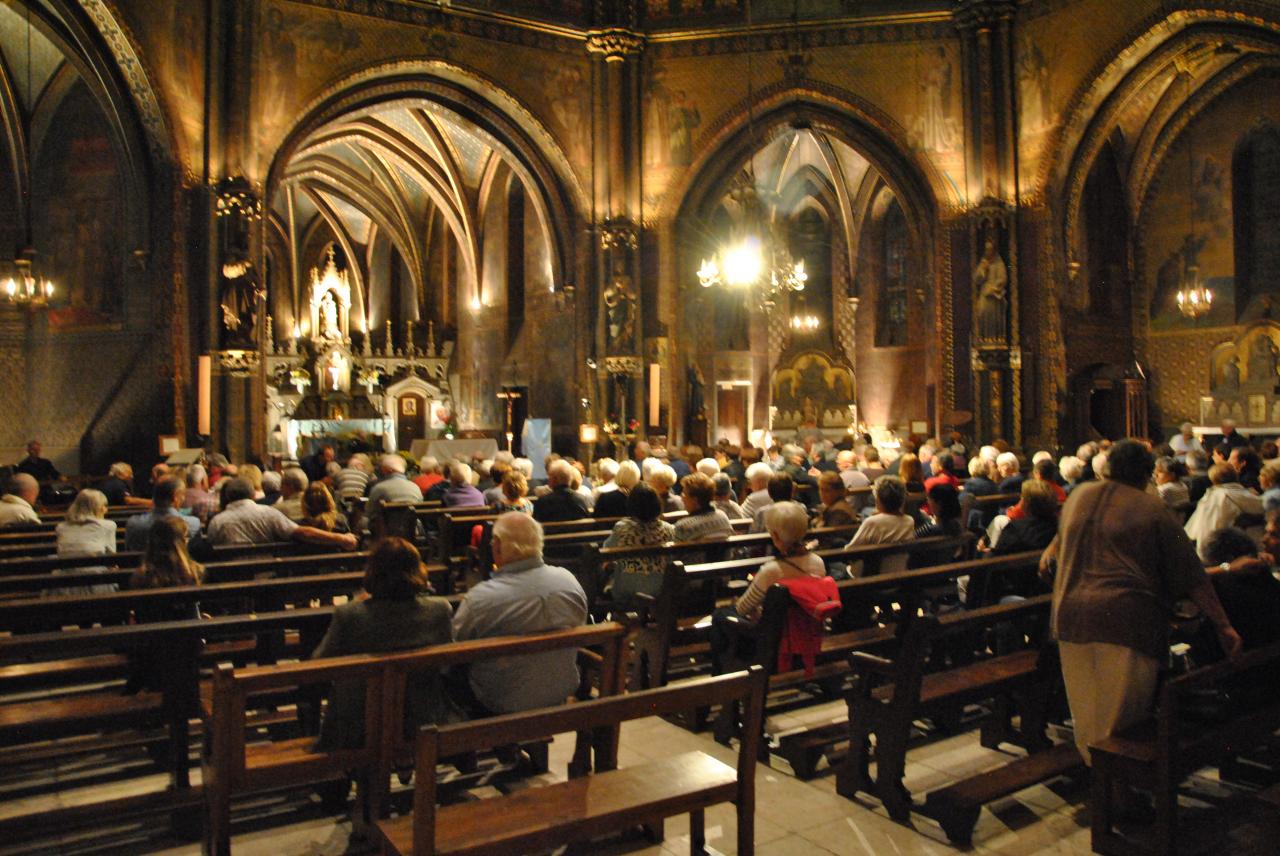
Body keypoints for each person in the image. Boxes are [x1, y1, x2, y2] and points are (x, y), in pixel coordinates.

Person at [1043, 439, 1240, 767]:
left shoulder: (1078, 496)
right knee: (1121, 717)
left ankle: (1104, 788)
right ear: (1147, 472)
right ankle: (1117, 791)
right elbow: (1191, 573)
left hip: (1070, 615)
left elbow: (1048, 560)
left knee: (1087, 712)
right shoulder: (1151, 508)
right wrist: (1223, 625)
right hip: (1125, 619)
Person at [312, 538, 454, 750]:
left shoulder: (350, 614)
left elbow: (319, 665)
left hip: (359, 726)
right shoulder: (439, 609)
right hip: (423, 719)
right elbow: (446, 664)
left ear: (372, 572)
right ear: (418, 570)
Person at [451, 513, 588, 713]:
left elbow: (455, 650)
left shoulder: (481, 598)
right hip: (559, 689)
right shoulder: (569, 581)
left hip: (497, 700)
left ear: (497, 545)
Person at [709, 501, 826, 674]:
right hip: (806, 632)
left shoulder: (772, 571)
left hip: (772, 639)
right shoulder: (818, 562)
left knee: (720, 616)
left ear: (776, 536)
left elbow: (741, 609)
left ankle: (721, 673)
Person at [207, 477, 359, 550]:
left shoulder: (217, 521)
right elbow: (302, 533)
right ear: (253, 494)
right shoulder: (268, 513)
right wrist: (341, 538)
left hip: (230, 577)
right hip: (265, 575)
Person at [603, 483, 675, 606]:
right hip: (660, 587)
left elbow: (606, 552)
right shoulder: (669, 529)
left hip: (627, 590)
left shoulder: (622, 528)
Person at [1184, 464, 1263, 554]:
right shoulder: (1252, 496)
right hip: (1253, 547)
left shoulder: (1217, 497)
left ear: (1213, 480)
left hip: (1221, 550)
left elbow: (1206, 529)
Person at [845, 475, 914, 577]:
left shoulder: (872, 522)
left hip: (872, 577)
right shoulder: (909, 520)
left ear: (879, 500)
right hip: (898, 575)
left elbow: (849, 551)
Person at [53, 489, 118, 594]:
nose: (106, 510)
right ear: (96, 508)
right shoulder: (108, 525)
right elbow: (111, 558)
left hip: (64, 582)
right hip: (95, 581)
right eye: (104, 506)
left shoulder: (61, 527)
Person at [124, 477, 200, 552]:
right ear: (175, 496)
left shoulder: (133, 524)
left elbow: (128, 550)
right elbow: (197, 554)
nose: (183, 498)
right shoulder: (193, 523)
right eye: (183, 495)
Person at [366, 454, 423, 531]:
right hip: (412, 530)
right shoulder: (415, 487)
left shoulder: (379, 488)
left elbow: (369, 512)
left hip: (386, 532)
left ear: (387, 470)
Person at [672, 473, 734, 542]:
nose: (681, 497)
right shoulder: (722, 516)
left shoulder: (682, 526)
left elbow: (674, 552)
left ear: (695, 500)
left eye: (684, 494)